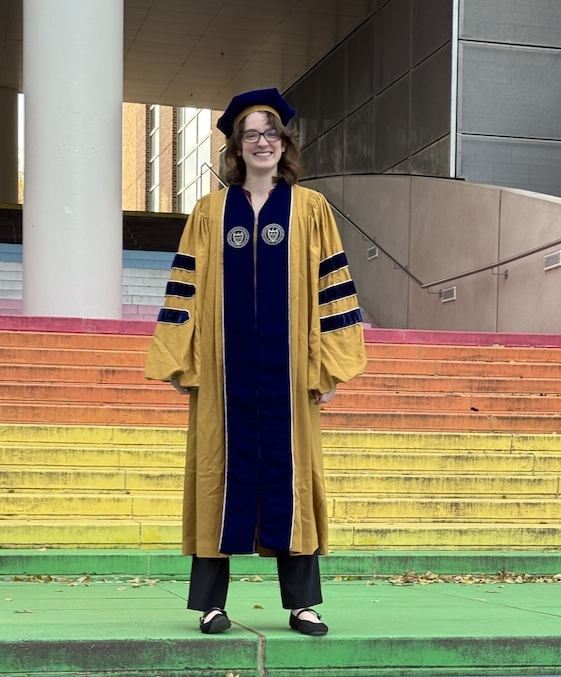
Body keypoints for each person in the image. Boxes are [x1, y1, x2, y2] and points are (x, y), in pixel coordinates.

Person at [145, 88, 367, 636]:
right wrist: (181, 358)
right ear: (237, 148)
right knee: (214, 475)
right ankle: (212, 605)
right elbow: (185, 288)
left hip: (291, 376)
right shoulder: (208, 212)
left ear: (283, 143)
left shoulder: (311, 210)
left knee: (294, 478)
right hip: (224, 377)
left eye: (271, 132)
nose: (262, 142)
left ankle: (303, 604)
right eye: (252, 134)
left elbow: (333, 288)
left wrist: (330, 365)